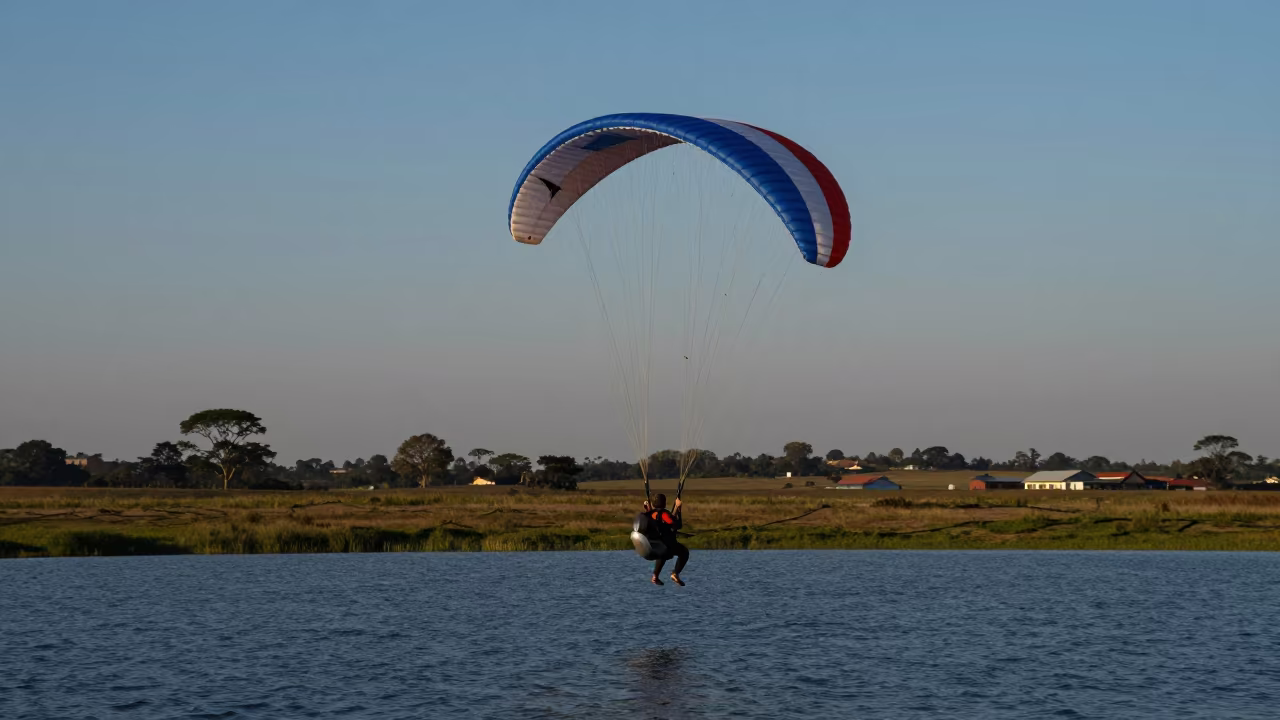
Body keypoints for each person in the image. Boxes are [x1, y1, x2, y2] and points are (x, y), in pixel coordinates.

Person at [642, 493, 689, 586]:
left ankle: (655, 576)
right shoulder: (664, 514)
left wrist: (647, 508)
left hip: (652, 547)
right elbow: (677, 525)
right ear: (664, 503)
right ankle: (675, 573)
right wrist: (679, 509)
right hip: (667, 546)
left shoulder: (650, 514)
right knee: (684, 552)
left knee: (662, 554)